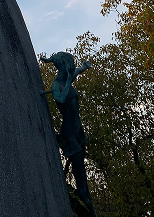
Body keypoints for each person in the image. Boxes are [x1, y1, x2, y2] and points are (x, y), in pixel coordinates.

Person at [41, 52, 97, 217]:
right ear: (63, 65)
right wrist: (67, 84)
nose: (72, 65)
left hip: (78, 130)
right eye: (70, 62)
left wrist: (84, 67)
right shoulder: (56, 85)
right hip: (69, 133)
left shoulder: (68, 78)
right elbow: (60, 99)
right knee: (79, 170)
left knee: (81, 168)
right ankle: (89, 206)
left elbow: (77, 71)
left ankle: (84, 196)